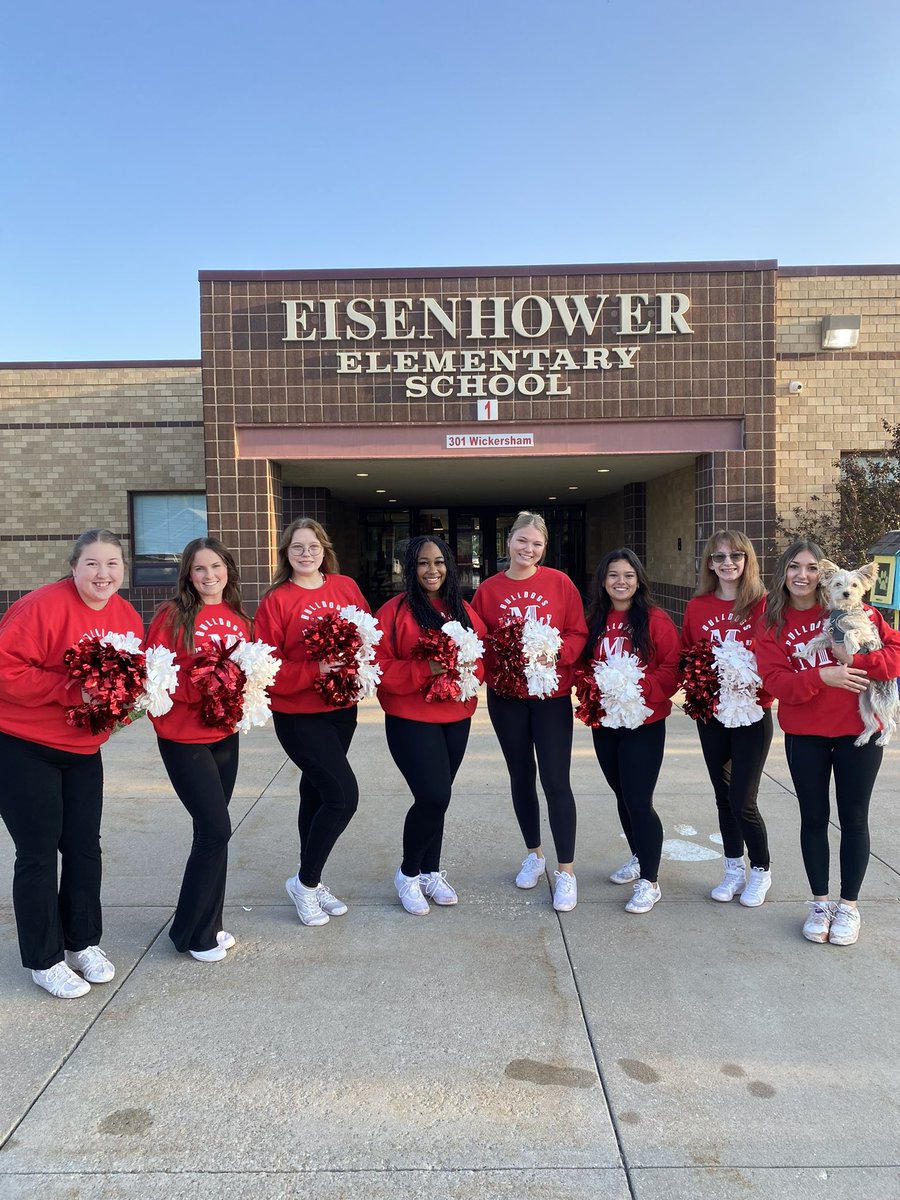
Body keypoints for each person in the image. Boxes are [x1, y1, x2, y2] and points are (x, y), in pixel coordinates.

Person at [0, 530, 144, 998]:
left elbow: (128, 680)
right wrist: (70, 690)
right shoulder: (41, 606)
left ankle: (82, 942)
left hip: (82, 751)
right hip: (23, 745)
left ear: (124, 568)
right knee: (38, 853)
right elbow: (6, 670)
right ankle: (44, 960)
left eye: (112, 564)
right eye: (92, 564)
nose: (103, 574)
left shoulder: (125, 615)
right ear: (74, 566)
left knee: (84, 849)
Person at [756, 540, 900, 946]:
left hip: (859, 730)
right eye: (794, 566)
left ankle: (849, 906)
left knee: (854, 819)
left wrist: (855, 662)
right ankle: (820, 902)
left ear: (824, 574)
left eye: (811, 567)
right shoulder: (770, 623)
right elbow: (776, 681)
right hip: (805, 734)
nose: (803, 574)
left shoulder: (851, 607)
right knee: (814, 818)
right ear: (783, 572)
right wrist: (823, 677)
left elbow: (895, 653)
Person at [254, 518, 372, 927]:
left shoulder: (345, 588)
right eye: (298, 548)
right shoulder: (276, 600)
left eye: (314, 547)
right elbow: (266, 669)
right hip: (299, 714)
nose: (307, 554)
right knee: (343, 796)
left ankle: (314, 877)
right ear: (285, 553)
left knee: (317, 795)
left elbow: (367, 637)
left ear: (325, 550)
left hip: (341, 710)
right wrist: (315, 668)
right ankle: (304, 884)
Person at [471, 511, 588, 911]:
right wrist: (497, 663)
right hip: (506, 697)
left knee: (557, 781)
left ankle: (566, 871)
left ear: (544, 548)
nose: (529, 549)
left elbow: (577, 633)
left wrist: (552, 653)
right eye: (522, 541)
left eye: (537, 544)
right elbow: (478, 641)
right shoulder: (488, 589)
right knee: (521, 776)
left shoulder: (559, 583)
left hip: (550, 696)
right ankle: (534, 854)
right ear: (508, 541)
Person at [145, 538, 252, 963]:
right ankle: (192, 934)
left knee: (212, 832)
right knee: (215, 829)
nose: (209, 576)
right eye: (200, 569)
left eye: (216, 567)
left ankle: (208, 923)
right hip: (183, 738)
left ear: (228, 569)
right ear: (188, 576)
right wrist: (208, 682)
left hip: (224, 735)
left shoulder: (240, 617)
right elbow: (157, 681)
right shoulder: (172, 616)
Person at [375, 535, 487, 915]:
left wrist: (468, 671)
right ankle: (408, 874)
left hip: (456, 717)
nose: (432, 570)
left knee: (440, 798)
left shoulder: (464, 610)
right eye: (423, 563)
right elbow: (380, 668)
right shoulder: (393, 611)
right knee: (434, 795)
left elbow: (481, 658)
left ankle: (430, 872)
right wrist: (429, 668)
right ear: (411, 568)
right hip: (410, 719)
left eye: (439, 562)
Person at [582, 549, 681, 914]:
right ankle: (639, 856)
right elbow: (582, 664)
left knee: (639, 799)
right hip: (606, 721)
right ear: (603, 581)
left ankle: (649, 882)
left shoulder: (655, 619)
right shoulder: (594, 618)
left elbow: (673, 668)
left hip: (644, 722)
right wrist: (593, 689)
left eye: (627, 575)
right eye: (612, 575)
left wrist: (637, 687)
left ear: (639, 579)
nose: (620, 582)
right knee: (621, 793)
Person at [681, 531, 774, 906]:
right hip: (713, 713)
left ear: (748, 560)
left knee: (743, 800)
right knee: (723, 797)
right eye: (719, 557)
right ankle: (733, 867)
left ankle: (761, 870)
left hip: (752, 712)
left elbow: (774, 657)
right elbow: (689, 655)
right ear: (709, 564)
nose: (728, 563)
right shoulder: (698, 606)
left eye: (736, 555)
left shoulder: (765, 605)